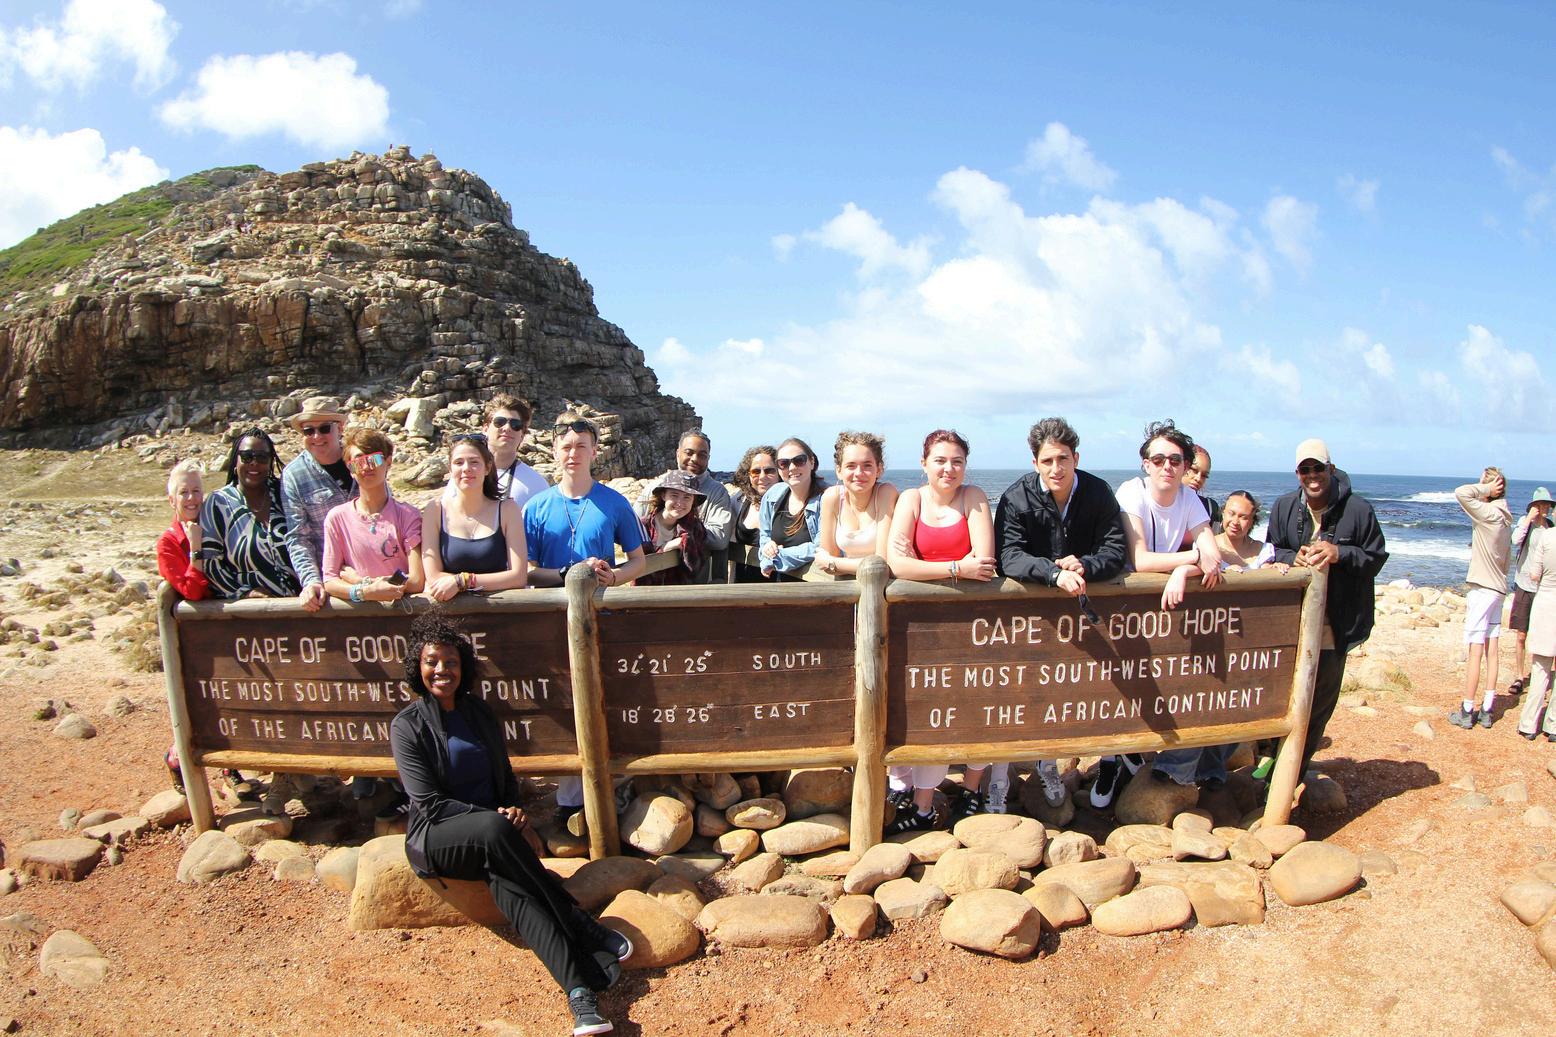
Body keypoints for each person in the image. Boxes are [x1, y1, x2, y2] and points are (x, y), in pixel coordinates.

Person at [389, 611, 631, 1036]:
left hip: (494, 836)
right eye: (432, 661)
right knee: (495, 831)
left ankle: (581, 997)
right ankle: (579, 922)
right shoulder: (406, 726)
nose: (442, 670)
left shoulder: (479, 713)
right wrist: (499, 819)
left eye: (451, 662)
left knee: (517, 895)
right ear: (418, 667)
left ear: (463, 667)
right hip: (438, 837)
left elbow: (503, 777)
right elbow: (428, 803)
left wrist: (517, 813)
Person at [994, 417, 1126, 813]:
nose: (1056, 468)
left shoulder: (1098, 492)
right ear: (1035, 462)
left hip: (1083, 614)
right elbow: (1008, 556)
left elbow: (1115, 550)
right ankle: (1005, 773)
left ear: (1076, 458)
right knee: (1023, 691)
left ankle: (1054, 761)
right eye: (1047, 460)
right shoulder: (1016, 497)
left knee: (1076, 690)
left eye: (1063, 459)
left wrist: (1085, 565)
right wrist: (1052, 573)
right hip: (1032, 615)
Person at [524, 412, 648, 826]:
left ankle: (611, 787)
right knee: (565, 704)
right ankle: (569, 799)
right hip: (552, 621)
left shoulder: (613, 502)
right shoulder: (537, 506)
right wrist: (565, 574)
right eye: (566, 446)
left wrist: (614, 577)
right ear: (554, 451)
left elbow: (638, 561)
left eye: (581, 446)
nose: (573, 453)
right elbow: (527, 571)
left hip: (602, 620)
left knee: (605, 699)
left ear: (595, 451)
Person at [1102, 420, 1225, 807]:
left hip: (1165, 604)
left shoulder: (1189, 498)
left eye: (1175, 460)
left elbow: (1213, 557)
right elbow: (1139, 559)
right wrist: (1191, 559)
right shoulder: (1132, 492)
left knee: (1175, 680)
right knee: (1115, 685)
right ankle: (1111, 759)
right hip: (1122, 604)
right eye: (1158, 459)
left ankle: (1150, 762)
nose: (1166, 466)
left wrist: (1183, 572)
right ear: (1146, 464)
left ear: (1185, 465)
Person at [885, 430, 997, 830]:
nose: (949, 469)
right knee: (927, 708)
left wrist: (926, 567)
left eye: (957, 461)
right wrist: (956, 567)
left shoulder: (974, 497)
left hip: (971, 624)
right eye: (940, 460)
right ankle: (919, 802)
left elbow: (984, 563)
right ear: (924, 463)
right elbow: (896, 564)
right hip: (921, 625)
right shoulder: (911, 500)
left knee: (977, 704)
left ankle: (971, 789)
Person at [1267, 438, 1388, 775]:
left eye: (1318, 467)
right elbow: (1271, 551)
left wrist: (1339, 553)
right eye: (1305, 469)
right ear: (1297, 473)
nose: (1312, 475)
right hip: (1291, 624)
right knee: (1281, 697)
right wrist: (1293, 556)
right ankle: (1271, 764)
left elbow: (1376, 558)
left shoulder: (1359, 510)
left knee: (1318, 703)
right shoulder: (1284, 507)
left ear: (1331, 469)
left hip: (1336, 624)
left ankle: (1290, 774)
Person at [322, 428, 426, 603]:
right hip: (360, 618)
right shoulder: (337, 518)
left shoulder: (408, 515)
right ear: (350, 469)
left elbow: (416, 580)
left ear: (388, 462)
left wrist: (363, 583)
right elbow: (330, 580)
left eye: (374, 459)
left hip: (402, 613)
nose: (366, 466)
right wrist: (365, 592)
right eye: (358, 461)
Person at [422, 433, 529, 602]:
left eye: (474, 462)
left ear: (487, 468)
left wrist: (463, 581)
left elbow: (518, 576)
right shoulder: (434, 510)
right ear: (450, 469)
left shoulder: (508, 510)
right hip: (448, 612)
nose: (466, 468)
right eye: (459, 462)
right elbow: (433, 576)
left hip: (499, 610)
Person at [201, 428, 304, 600]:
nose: (254, 463)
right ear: (235, 460)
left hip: (302, 604)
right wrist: (245, 593)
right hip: (247, 609)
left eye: (262, 457)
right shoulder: (218, 503)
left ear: (271, 461)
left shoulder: (285, 493)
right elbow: (210, 563)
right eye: (247, 456)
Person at [1448, 467, 1513, 730]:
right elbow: (1507, 562)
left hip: (1482, 589)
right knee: (1492, 649)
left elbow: (1461, 493)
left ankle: (1467, 710)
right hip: (1498, 589)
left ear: (1491, 490)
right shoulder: (1507, 519)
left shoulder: (1488, 514)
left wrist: (1485, 488)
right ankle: (1487, 708)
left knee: (1475, 651)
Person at [280, 396, 356, 613]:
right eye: (308, 431)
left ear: (340, 428)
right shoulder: (293, 475)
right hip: (331, 585)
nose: (316, 436)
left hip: (373, 571)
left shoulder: (361, 459)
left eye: (324, 428)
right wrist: (311, 581)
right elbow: (298, 536)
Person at [637, 430, 734, 583]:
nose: (694, 459)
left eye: (702, 455)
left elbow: (719, 538)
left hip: (693, 584)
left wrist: (687, 535)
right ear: (678, 453)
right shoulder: (654, 487)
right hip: (647, 585)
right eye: (689, 453)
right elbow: (634, 530)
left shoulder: (717, 492)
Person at [815, 431, 898, 577]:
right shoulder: (832, 497)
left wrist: (832, 562)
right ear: (839, 471)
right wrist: (831, 562)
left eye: (867, 465)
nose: (859, 473)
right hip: (848, 585)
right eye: (851, 466)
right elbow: (826, 563)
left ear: (879, 469)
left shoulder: (885, 493)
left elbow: (881, 563)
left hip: (883, 585)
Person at [758, 437, 827, 581]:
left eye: (799, 460)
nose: (792, 467)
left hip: (818, 588)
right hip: (779, 588)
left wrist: (777, 557)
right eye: (784, 463)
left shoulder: (826, 499)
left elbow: (821, 547)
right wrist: (768, 547)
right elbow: (765, 536)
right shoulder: (772, 496)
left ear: (812, 462)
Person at [1507, 487, 1553, 697]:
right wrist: (1527, 520)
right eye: (1541, 504)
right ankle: (1519, 676)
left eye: (1548, 504)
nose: (1545, 507)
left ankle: (1543, 675)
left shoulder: (1551, 527)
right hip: (1524, 584)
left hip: (1545, 588)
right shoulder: (1526, 524)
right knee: (1521, 634)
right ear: (1534, 506)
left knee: (1545, 634)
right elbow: (1515, 540)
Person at [1516, 524, 1556, 742]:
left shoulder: (1547, 536)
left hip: (1547, 601)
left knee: (1540, 667)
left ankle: (1529, 723)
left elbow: (1534, 575)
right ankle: (1553, 725)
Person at [635, 470, 709, 585]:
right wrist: (665, 548)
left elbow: (695, 568)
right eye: (674, 495)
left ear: (693, 501)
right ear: (663, 495)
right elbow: (636, 567)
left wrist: (686, 542)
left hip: (680, 592)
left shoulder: (695, 527)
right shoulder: (642, 526)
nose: (680, 503)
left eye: (687, 497)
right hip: (646, 592)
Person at [484, 395, 551, 511]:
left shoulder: (536, 485)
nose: (507, 428)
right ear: (485, 429)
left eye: (515, 425)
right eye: (500, 422)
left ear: (522, 435)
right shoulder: (465, 474)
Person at [157, 460, 210, 602]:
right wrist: (195, 547)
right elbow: (193, 592)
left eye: (196, 491)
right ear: (172, 501)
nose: (191, 498)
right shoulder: (168, 543)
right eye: (183, 492)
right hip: (196, 615)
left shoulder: (214, 529)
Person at [729, 445, 780, 582]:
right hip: (741, 586)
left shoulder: (790, 503)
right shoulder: (739, 501)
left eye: (769, 471)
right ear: (748, 475)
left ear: (779, 473)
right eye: (756, 471)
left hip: (780, 587)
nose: (762, 476)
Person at [1214, 491, 1288, 572]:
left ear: (1252, 521)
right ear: (1223, 513)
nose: (1235, 522)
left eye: (1243, 517)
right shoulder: (1207, 547)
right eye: (1231, 514)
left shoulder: (1263, 551)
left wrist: (1276, 568)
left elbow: (1266, 572)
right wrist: (1226, 573)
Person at [1181, 444, 1222, 529]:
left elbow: (1215, 536)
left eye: (1204, 475)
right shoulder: (1160, 503)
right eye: (1194, 470)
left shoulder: (1210, 509)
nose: (1198, 478)